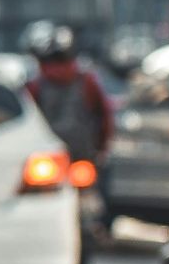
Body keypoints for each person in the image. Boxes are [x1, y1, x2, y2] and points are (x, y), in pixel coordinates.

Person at [22, 21, 113, 166]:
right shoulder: (87, 82)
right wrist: (102, 148)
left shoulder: (35, 86)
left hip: (46, 159)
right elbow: (105, 116)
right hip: (83, 156)